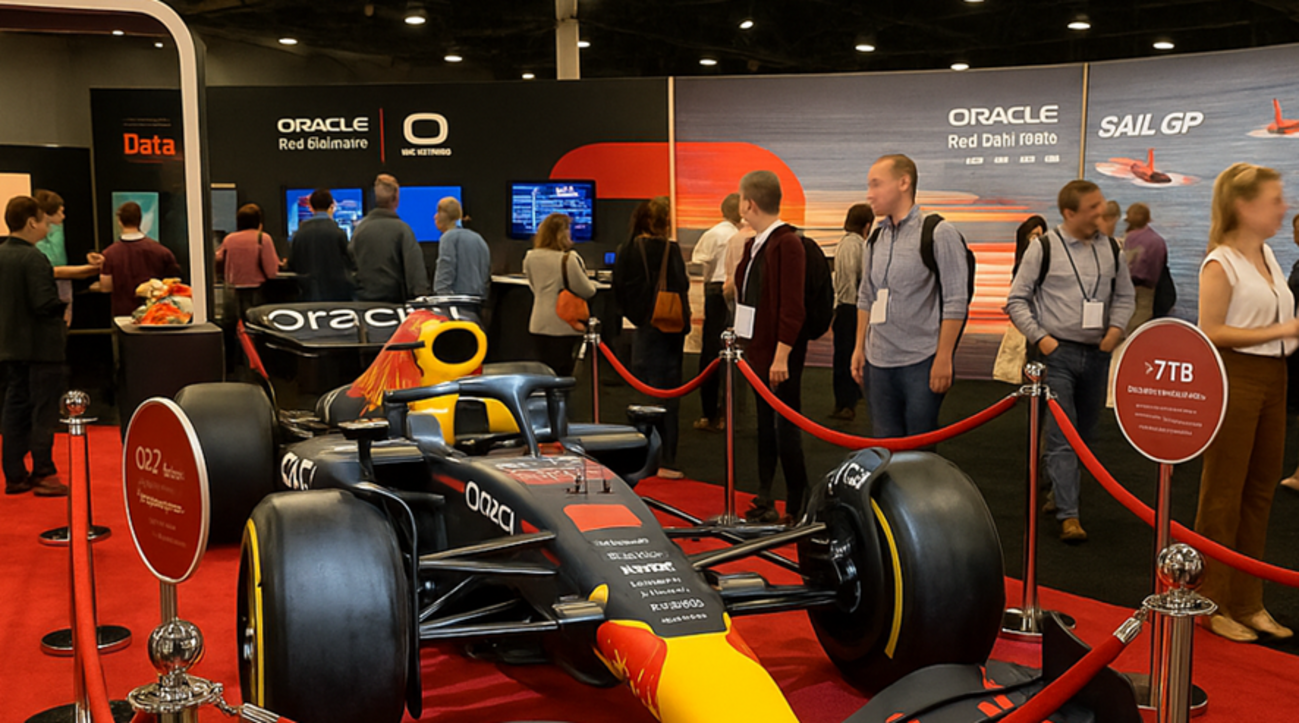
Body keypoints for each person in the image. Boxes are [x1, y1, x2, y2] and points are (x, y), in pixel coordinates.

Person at [1195, 163, 1297, 643]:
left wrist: (1282, 337)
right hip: (1236, 376)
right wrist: (1281, 330)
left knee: (1260, 491)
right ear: (1244, 206)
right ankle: (1211, 602)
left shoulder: (1268, 255)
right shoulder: (1221, 262)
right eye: (1275, 200)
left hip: (1276, 377)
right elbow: (1211, 330)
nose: (1284, 208)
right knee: (1223, 493)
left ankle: (1248, 601)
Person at [1006, 180, 1135, 543]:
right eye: (1092, 207)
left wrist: (1115, 330)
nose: (1101, 211)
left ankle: (1058, 489)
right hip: (1057, 354)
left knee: (1087, 435)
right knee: (1062, 434)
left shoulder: (1112, 249)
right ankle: (1069, 515)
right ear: (1070, 213)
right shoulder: (1044, 248)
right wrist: (1042, 339)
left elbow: (1124, 296)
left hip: (1097, 355)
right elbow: (1016, 299)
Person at [851, 154, 971, 438]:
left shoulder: (939, 232)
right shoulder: (875, 238)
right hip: (878, 362)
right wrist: (859, 347)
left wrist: (944, 357)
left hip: (921, 360)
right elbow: (866, 296)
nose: (869, 194)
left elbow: (956, 300)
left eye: (877, 184)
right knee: (885, 444)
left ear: (903, 183)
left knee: (919, 447)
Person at [733, 170, 807, 524]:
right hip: (757, 351)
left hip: (778, 355)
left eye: (740, 198)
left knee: (786, 428)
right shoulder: (755, 244)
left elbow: (792, 306)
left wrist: (782, 355)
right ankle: (765, 497)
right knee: (765, 427)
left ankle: (796, 504)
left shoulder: (786, 243)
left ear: (750, 203)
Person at [613, 197, 691, 478]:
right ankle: (666, 458)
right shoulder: (671, 249)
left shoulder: (627, 249)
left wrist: (638, 315)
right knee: (670, 394)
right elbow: (682, 284)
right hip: (671, 328)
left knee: (645, 392)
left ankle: (645, 455)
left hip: (644, 327)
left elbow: (618, 289)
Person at [0, 196, 69, 496]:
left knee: (14, 409)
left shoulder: (2, 254)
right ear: (31, 222)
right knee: (44, 411)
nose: (48, 227)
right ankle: (44, 471)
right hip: (41, 348)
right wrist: (62, 308)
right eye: (43, 221)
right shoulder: (34, 258)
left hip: (10, 346)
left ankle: (14, 474)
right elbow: (43, 303)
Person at [690, 193, 740, 432]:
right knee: (733, 354)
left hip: (715, 292)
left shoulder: (713, 234)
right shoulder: (742, 236)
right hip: (735, 293)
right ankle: (726, 415)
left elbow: (701, 264)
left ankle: (709, 413)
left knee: (711, 353)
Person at [523, 213, 596, 377]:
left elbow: (534, 287)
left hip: (538, 324)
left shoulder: (530, 257)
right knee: (563, 375)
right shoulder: (568, 259)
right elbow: (588, 290)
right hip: (563, 325)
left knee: (544, 374)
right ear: (562, 234)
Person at [351, 174, 429, 303]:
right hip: (395, 303)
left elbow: (350, 266)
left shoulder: (359, 230)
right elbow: (414, 270)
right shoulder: (403, 230)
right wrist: (420, 296)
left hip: (364, 303)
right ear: (396, 199)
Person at [99, 201, 181, 317]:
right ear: (140, 220)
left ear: (119, 221)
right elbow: (174, 283)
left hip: (123, 316)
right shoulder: (162, 252)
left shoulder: (109, 254)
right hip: (157, 315)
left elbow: (106, 287)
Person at [32, 190, 102, 326]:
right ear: (47, 215)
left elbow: (72, 250)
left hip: (64, 282)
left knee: (64, 322)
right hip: (45, 282)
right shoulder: (36, 234)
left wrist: (88, 257)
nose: (63, 216)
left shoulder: (64, 228)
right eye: (60, 212)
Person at [830, 203, 873, 420]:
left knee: (844, 356)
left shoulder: (848, 244)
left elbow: (847, 280)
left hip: (848, 307)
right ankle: (849, 400)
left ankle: (846, 402)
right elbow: (856, 280)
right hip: (852, 307)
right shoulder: (857, 245)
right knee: (848, 355)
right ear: (867, 225)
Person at [287, 189, 355, 302]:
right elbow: (349, 262)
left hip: (307, 293)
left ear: (310, 206)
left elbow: (292, 263)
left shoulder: (299, 233)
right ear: (331, 205)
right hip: (336, 294)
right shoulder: (338, 232)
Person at [216, 203, 281, 318]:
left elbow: (219, 258)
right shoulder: (263, 238)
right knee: (255, 320)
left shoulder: (229, 239)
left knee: (233, 321)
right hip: (256, 290)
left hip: (233, 289)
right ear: (258, 222)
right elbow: (271, 271)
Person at [1121, 203, 1168, 333]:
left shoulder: (1124, 240)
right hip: (1147, 287)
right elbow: (1161, 264)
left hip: (1124, 286)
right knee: (1140, 323)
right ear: (1148, 219)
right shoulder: (1157, 241)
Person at [432, 197, 490, 300]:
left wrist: (442, 300)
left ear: (443, 216)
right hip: (477, 302)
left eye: (438, 212)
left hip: (456, 302)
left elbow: (445, 274)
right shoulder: (478, 238)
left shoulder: (448, 238)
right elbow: (486, 275)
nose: (434, 216)